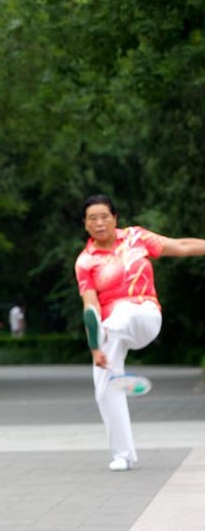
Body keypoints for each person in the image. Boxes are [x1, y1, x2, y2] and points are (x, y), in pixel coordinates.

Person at [74, 193, 205, 472]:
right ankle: (123, 455)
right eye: (92, 219)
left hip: (144, 315)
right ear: (85, 224)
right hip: (113, 331)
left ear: (115, 218)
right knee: (103, 388)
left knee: (123, 314)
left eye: (104, 217)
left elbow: (180, 246)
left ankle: (105, 339)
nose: (99, 223)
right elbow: (90, 305)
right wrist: (95, 350)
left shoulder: (136, 238)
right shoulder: (85, 262)